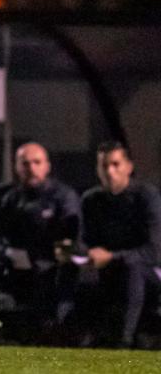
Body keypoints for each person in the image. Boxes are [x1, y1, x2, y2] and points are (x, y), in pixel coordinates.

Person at [68, 141, 161, 348]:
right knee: (70, 270)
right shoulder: (92, 199)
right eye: (104, 166)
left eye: (115, 164)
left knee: (132, 269)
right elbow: (85, 240)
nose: (110, 171)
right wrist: (78, 251)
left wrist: (112, 256)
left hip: (148, 271)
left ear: (129, 167)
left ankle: (124, 340)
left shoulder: (146, 196)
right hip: (107, 269)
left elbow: (154, 252)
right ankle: (68, 333)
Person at [0, 142, 80, 343]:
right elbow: (0, 237)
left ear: (47, 166)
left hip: (50, 271)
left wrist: (52, 263)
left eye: (37, 162)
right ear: (16, 167)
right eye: (25, 163)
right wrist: (5, 254)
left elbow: (70, 242)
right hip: (18, 269)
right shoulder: (10, 199)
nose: (31, 168)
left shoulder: (63, 197)